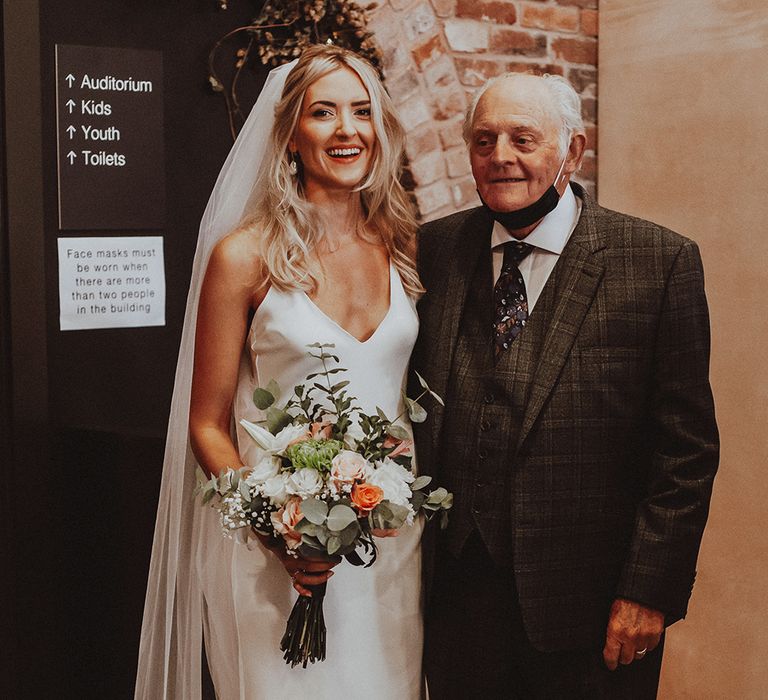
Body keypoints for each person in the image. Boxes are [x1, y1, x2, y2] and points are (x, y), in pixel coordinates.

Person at [413, 72, 719, 698]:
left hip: (593, 613)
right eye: (484, 140)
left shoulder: (656, 262)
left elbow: (685, 454)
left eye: (523, 139)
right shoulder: (433, 250)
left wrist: (647, 591)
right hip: (456, 607)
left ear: (572, 152)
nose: (501, 157)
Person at [136, 45, 424, 699]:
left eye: (362, 112)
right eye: (324, 113)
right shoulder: (244, 256)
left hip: (388, 548)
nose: (348, 130)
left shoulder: (401, 244)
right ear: (292, 132)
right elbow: (207, 424)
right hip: (276, 557)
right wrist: (281, 535)